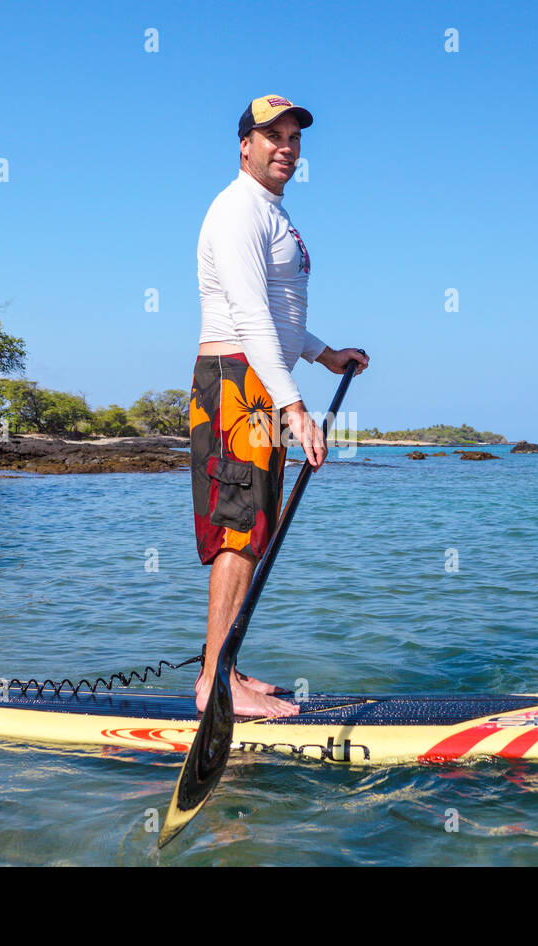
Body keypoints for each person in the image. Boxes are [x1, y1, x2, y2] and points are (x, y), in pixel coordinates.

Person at [189, 94, 370, 717]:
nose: (287, 147)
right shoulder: (239, 209)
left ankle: (226, 669)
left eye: (294, 137)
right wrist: (295, 407)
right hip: (237, 384)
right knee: (238, 531)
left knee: (254, 526)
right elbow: (246, 315)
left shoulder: (271, 213)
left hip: (260, 382)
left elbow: (278, 317)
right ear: (246, 145)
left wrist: (324, 355)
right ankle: (215, 685)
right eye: (274, 136)